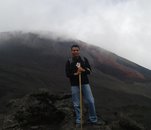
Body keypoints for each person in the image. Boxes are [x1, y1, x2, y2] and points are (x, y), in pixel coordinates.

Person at [65, 44, 101, 126]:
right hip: (74, 84)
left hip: (85, 83)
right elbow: (67, 74)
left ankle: (93, 119)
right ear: (71, 51)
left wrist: (83, 70)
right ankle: (79, 120)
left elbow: (89, 70)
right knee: (77, 103)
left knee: (91, 101)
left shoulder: (84, 60)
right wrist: (76, 73)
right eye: (74, 50)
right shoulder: (69, 61)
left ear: (79, 51)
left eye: (77, 50)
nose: (75, 52)